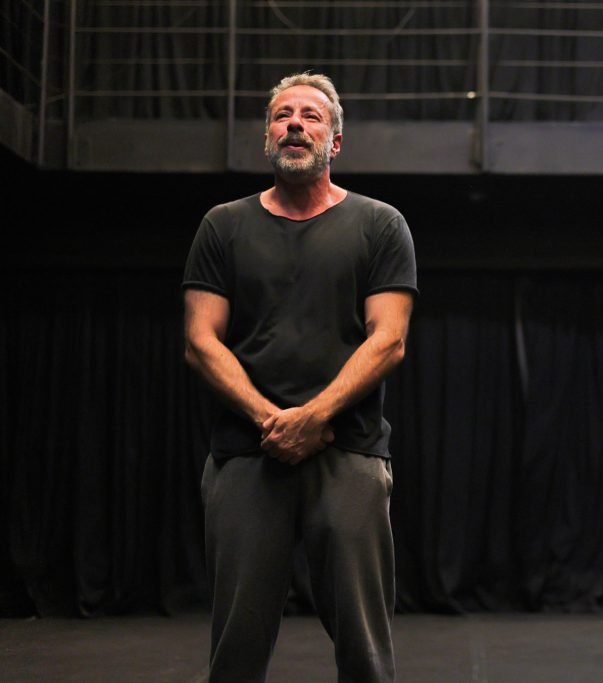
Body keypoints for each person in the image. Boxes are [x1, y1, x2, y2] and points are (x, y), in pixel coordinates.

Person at [182, 72, 416, 682]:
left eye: (311, 116)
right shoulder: (222, 226)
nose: (294, 124)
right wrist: (273, 420)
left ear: (334, 141)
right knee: (236, 646)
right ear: (268, 136)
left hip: (348, 449)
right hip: (246, 451)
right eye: (283, 115)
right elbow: (201, 342)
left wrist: (314, 418)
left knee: (365, 647)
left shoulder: (380, 224)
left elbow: (388, 340)